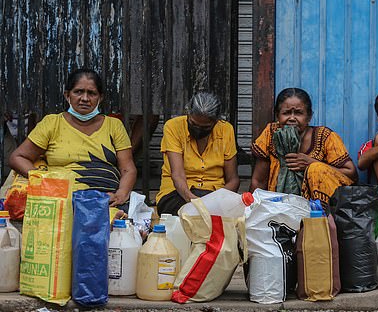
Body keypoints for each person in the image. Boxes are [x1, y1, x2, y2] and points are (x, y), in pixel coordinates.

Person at [8, 69, 137, 208]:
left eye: (92, 93)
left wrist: (122, 193)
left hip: (106, 200)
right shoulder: (52, 123)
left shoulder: (114, 125)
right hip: (62, 201)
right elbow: (18, 157)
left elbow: (127, 169)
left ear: (100, 97)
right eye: (78, 92)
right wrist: (44, 180)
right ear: (67, 95)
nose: (85, 98)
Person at [250, 88, 357, 204]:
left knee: (316, 169)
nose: (292, 118)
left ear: (309, 116)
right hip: (278, 207)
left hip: (319, 209)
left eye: (298, 113)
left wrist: (311, 163)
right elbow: (259, 181)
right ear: (277, 116)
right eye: (286, 113)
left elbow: (352, 175)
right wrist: (249, 210)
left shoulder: (325, 137)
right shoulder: (271, 134)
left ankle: (322, 220)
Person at [156, 92, 239, 215]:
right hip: (178, 194)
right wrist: (195, 202)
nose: (198, 129)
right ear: (187, 113)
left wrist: (216, 201)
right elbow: (177, 175)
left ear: (216, 122)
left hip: (214, 195)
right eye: (193, 124)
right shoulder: (173, 127)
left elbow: (233, 180)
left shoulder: (226, 130)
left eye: (205, 127)